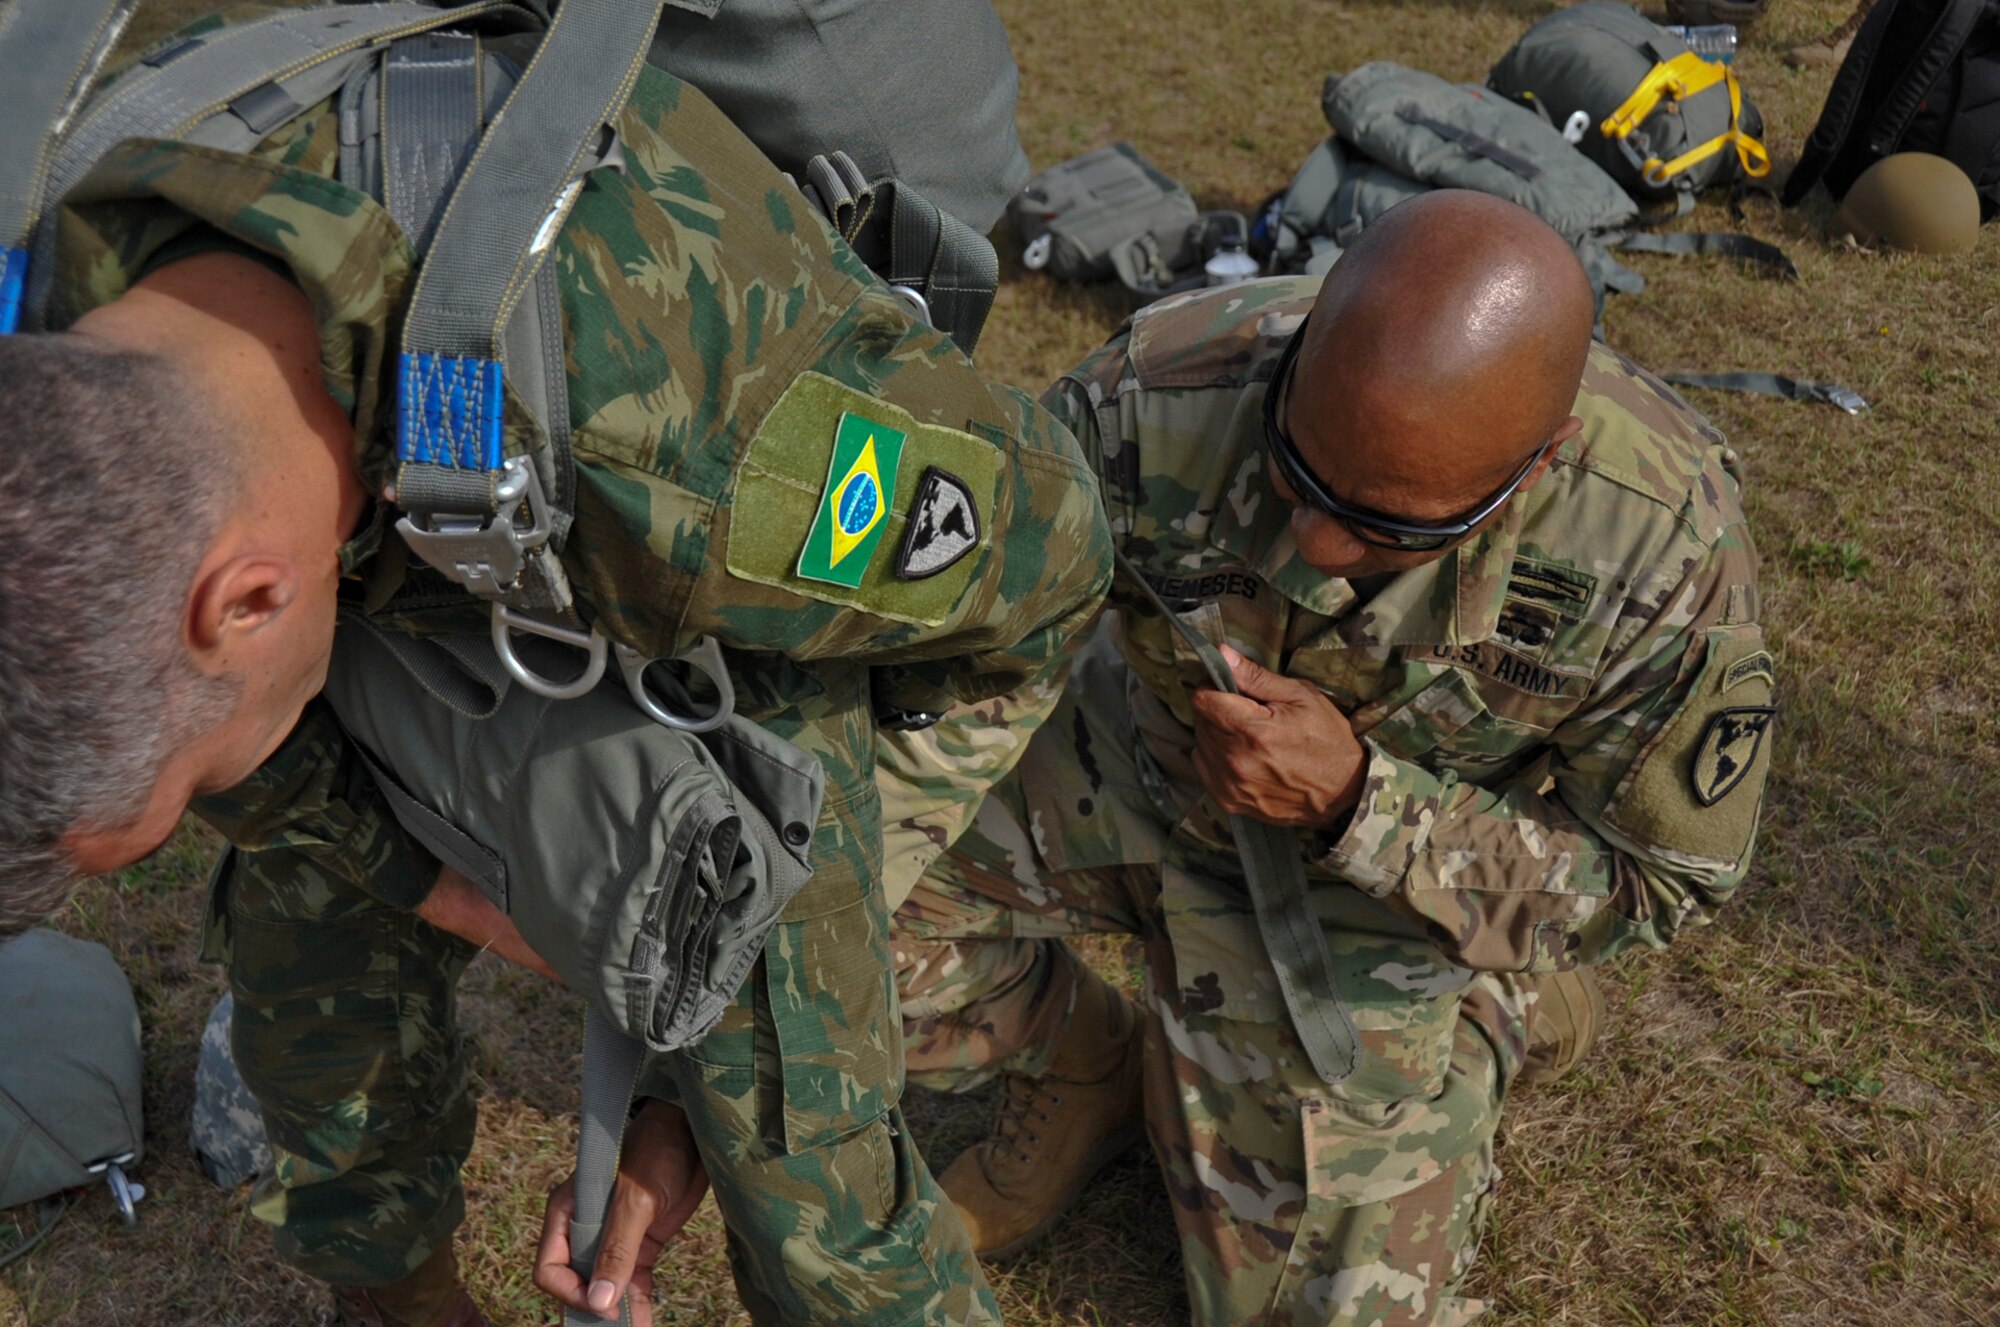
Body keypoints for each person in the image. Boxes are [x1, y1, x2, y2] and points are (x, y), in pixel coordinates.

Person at [0, 18, 1109, 1327]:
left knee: (796, 1152)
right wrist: (426, 876)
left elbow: (1057, 559)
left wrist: (769, 940)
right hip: (375, 516)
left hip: (701, 570)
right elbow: (194, 703)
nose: (205, 802)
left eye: (189, 785)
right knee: (312, 990)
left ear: (246, 597)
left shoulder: (707, 465)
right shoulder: (69, 332)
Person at [892, 190, 1776, 1325]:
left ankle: (1498, 997)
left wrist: (1363, 806)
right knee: (822, 923)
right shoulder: (1157, 390)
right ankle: (1083, 1069)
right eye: (1293, 470)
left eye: (1390, 527)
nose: (1312, 541)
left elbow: (1657, 882)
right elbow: (969, 658)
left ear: (1540, 462)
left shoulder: (1656, 548)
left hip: (1379, 883)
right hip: (1137, 764)